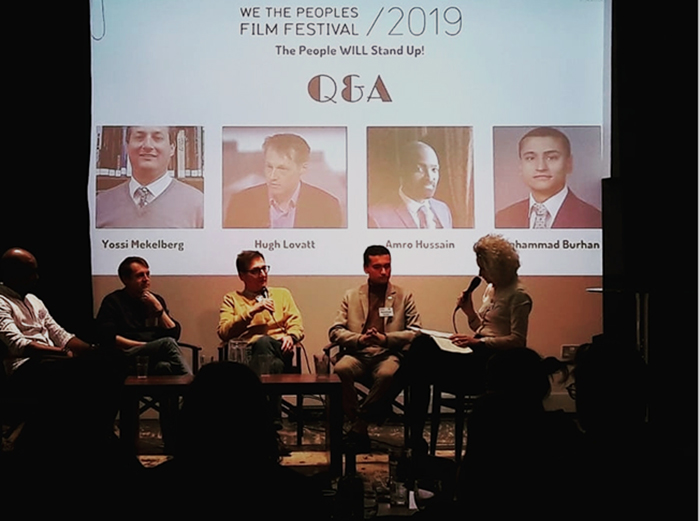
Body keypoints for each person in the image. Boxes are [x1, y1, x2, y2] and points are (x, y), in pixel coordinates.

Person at [405, 234, 533, 451]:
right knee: (422, 346)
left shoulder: (519, 296)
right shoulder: (491, 289)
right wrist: (469, 311)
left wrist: (478, 343)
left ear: (496, 266)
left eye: (483, 268)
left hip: (491, 362)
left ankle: (408, 427)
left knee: (420, 357)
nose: (480, 274)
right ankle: (415, 437)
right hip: (477, 351)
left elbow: (517, 341)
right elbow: (480, 327)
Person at [329, 245, 421, 450]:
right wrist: (359, 339)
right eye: (378, 267)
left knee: (388, 374)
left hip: (388, 354)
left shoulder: (404, 296)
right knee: (341, 369)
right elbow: (335, 330)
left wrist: (385, 339)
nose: (384, 272)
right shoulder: (352, 295)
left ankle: (358, 424)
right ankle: (358, 423)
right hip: (358, 353)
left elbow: (416, 332)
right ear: (366, 269)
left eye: (387, 266)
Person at [96, 256, 191, 376]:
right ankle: (195, 390)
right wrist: (146, 346)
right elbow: (108, 337)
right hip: (126, 352)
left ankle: (154, 395)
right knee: (167, 344)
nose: (146, 279)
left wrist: (159, 310)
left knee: (164, 367)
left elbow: (174, 334)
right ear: (125, 279)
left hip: (153, 354)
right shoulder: (113, 301)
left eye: (148, 274)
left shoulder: (155, 300)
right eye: (140, 275)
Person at [223, 133, 343, 228]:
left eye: (282, 169)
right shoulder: (240, 203)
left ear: (303, 168)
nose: (272, 176)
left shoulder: (327, 206)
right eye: (269, 167)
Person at [96, 126, 204, 228]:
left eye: (157, 138)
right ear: (127, 147)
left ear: (172, 148)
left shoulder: (198, 205)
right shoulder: (100, 204)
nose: (147, 145)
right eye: (139, 137)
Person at [495, 127, 601, 229]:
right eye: (530, 158)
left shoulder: (594, 219)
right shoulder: (503, 217)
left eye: (552, 158)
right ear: (520, 165)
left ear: (569, 163)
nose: (541, 167)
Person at [217, 250, 304, 374]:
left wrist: (291, 336)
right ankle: (269, 392)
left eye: (264, 269)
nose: (263, 274)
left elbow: (296, 323)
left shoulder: (282, 294)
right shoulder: (231, 299)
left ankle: (255, 391)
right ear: (242, 276)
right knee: (275, 363)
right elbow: (224, 332)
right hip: (247, 352)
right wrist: (252, 311)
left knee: (264, 342)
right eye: (256, 271)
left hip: (278, 347)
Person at [369, 141, 453, 228]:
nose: (430, 177)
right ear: (402, 171)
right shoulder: (376, 218)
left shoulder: (443, 210)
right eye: (419, 169)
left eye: (434, 169)